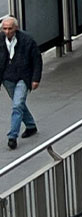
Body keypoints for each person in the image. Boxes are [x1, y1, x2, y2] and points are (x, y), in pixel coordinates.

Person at [2, 16, 42, 150]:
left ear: (16, 28)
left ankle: (12, 136)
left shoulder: (27, 40)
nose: (7, 32)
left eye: (10, 29)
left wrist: (35, 78)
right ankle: (30, 125)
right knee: (18, 103)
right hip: (7, 78)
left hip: (23, 77)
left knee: (17, 105)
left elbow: (37, 59)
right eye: (4, 29)